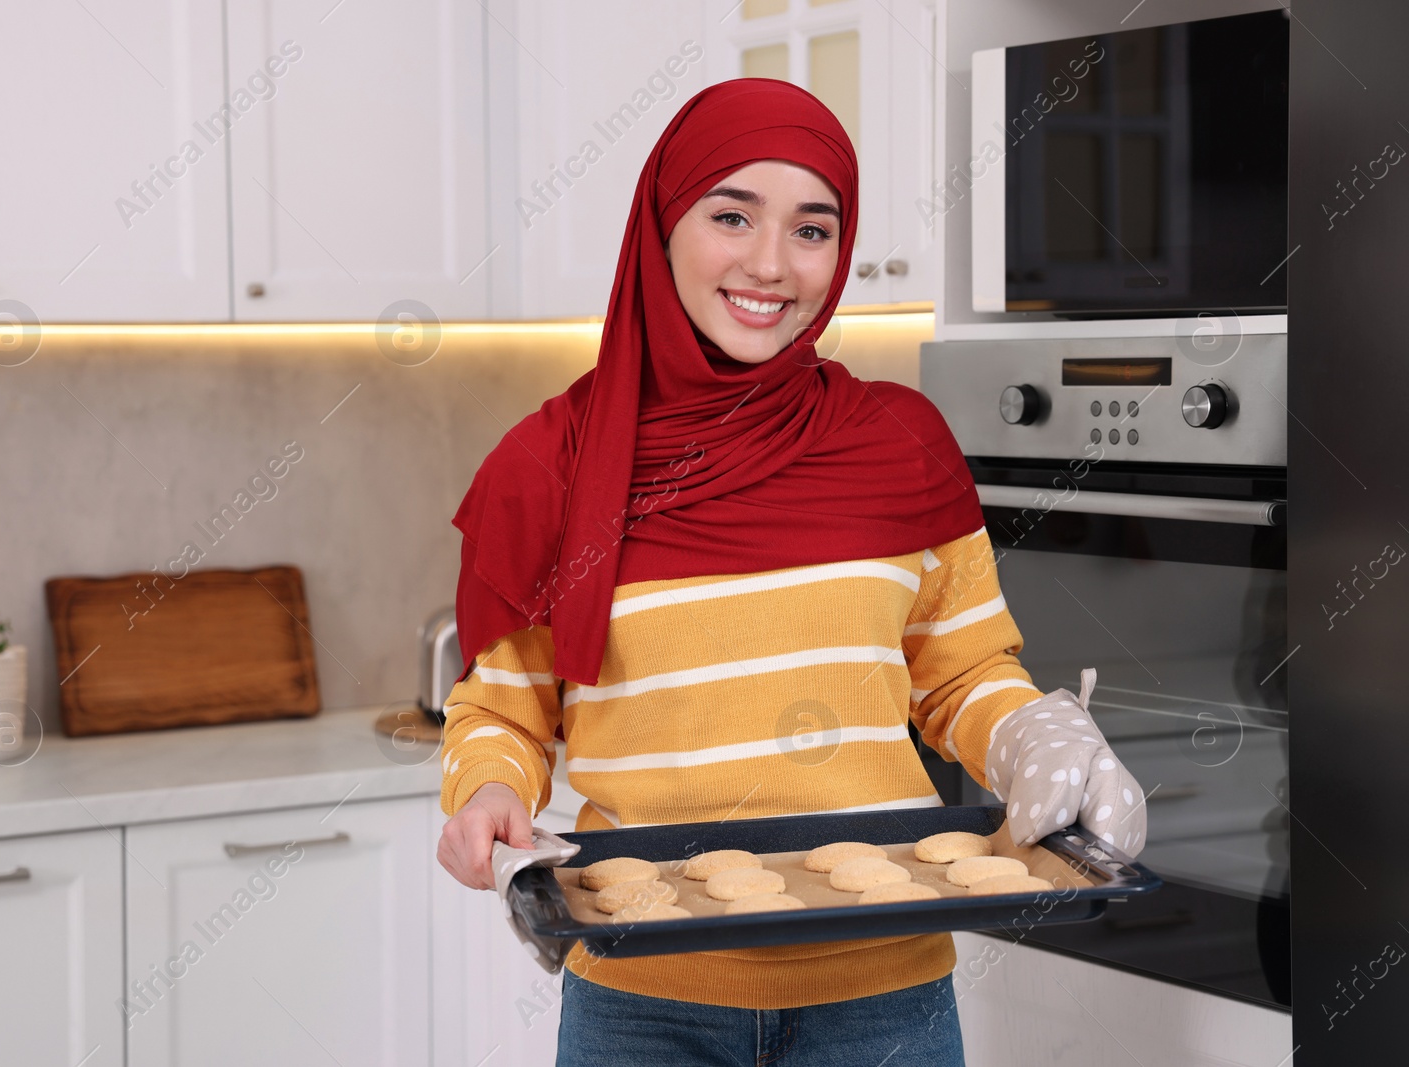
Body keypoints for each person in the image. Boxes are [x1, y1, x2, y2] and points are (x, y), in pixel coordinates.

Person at [436, 78, 1148, 1067]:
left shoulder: (900, 443)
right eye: (731, 215)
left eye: (812, 230)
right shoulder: (548, 465)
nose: (771, 264)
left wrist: (1028, 731)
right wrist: (485, 794)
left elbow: (961, 675)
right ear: (662, 225)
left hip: (881, 1001)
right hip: (642, 1003)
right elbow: (503, 715)